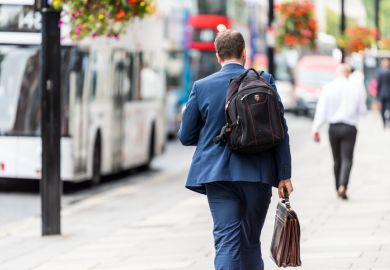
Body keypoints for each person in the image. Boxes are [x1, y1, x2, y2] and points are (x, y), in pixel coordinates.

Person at [178, 26, 293, 270]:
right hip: (258, 174)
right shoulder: (265, 81)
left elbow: (186, 136)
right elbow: (281, 131)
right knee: (250, 242)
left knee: (227, 243)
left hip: (218, 175)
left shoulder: (201, 87)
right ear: (244, 53)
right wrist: (284, 174)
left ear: (218, 55)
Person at [312, 64, 367, 200]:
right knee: (347, 158)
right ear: (349, 73)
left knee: (336, 159)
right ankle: (343, 185)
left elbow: (321, 110)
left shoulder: (329, 87)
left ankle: (337, 188)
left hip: (334, 128)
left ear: (338, 73)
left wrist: (316, 128)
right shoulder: (356, 88)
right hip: (349, 127)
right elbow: (363, 111)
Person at [377, 58, 390, 128]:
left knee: (382, 109)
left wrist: (377, 95)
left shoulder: (380, 73)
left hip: (382, 93)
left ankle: (384, 122)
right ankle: (388, 118)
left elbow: (378, 84)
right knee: (389, 107)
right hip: (389, 93)